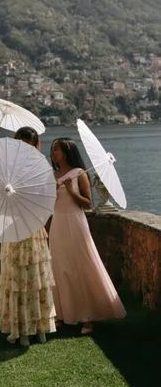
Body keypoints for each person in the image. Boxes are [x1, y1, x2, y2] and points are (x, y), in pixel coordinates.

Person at [49, 137, 126, 334]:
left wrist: (70, 190)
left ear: (67, 152)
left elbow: (87, 203)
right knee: (59, 266)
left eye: (56, 149)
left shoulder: (80, 173)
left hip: (75, 222)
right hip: (57, 223)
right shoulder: (53, 174)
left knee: (80, 265)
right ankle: (61, 313)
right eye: (52, 150)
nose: (52, 153)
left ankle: (88, 317)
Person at [0, 127, 56, 347]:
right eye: (22, 143)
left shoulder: (41, 169)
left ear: (36, 145)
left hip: (32, 226)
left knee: (33, 277)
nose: (26, 147)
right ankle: (20, 329)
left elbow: (46, 199)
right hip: (13, 227)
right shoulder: (8, 169)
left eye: (29, 144)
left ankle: (37, 327)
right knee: (16, 278)